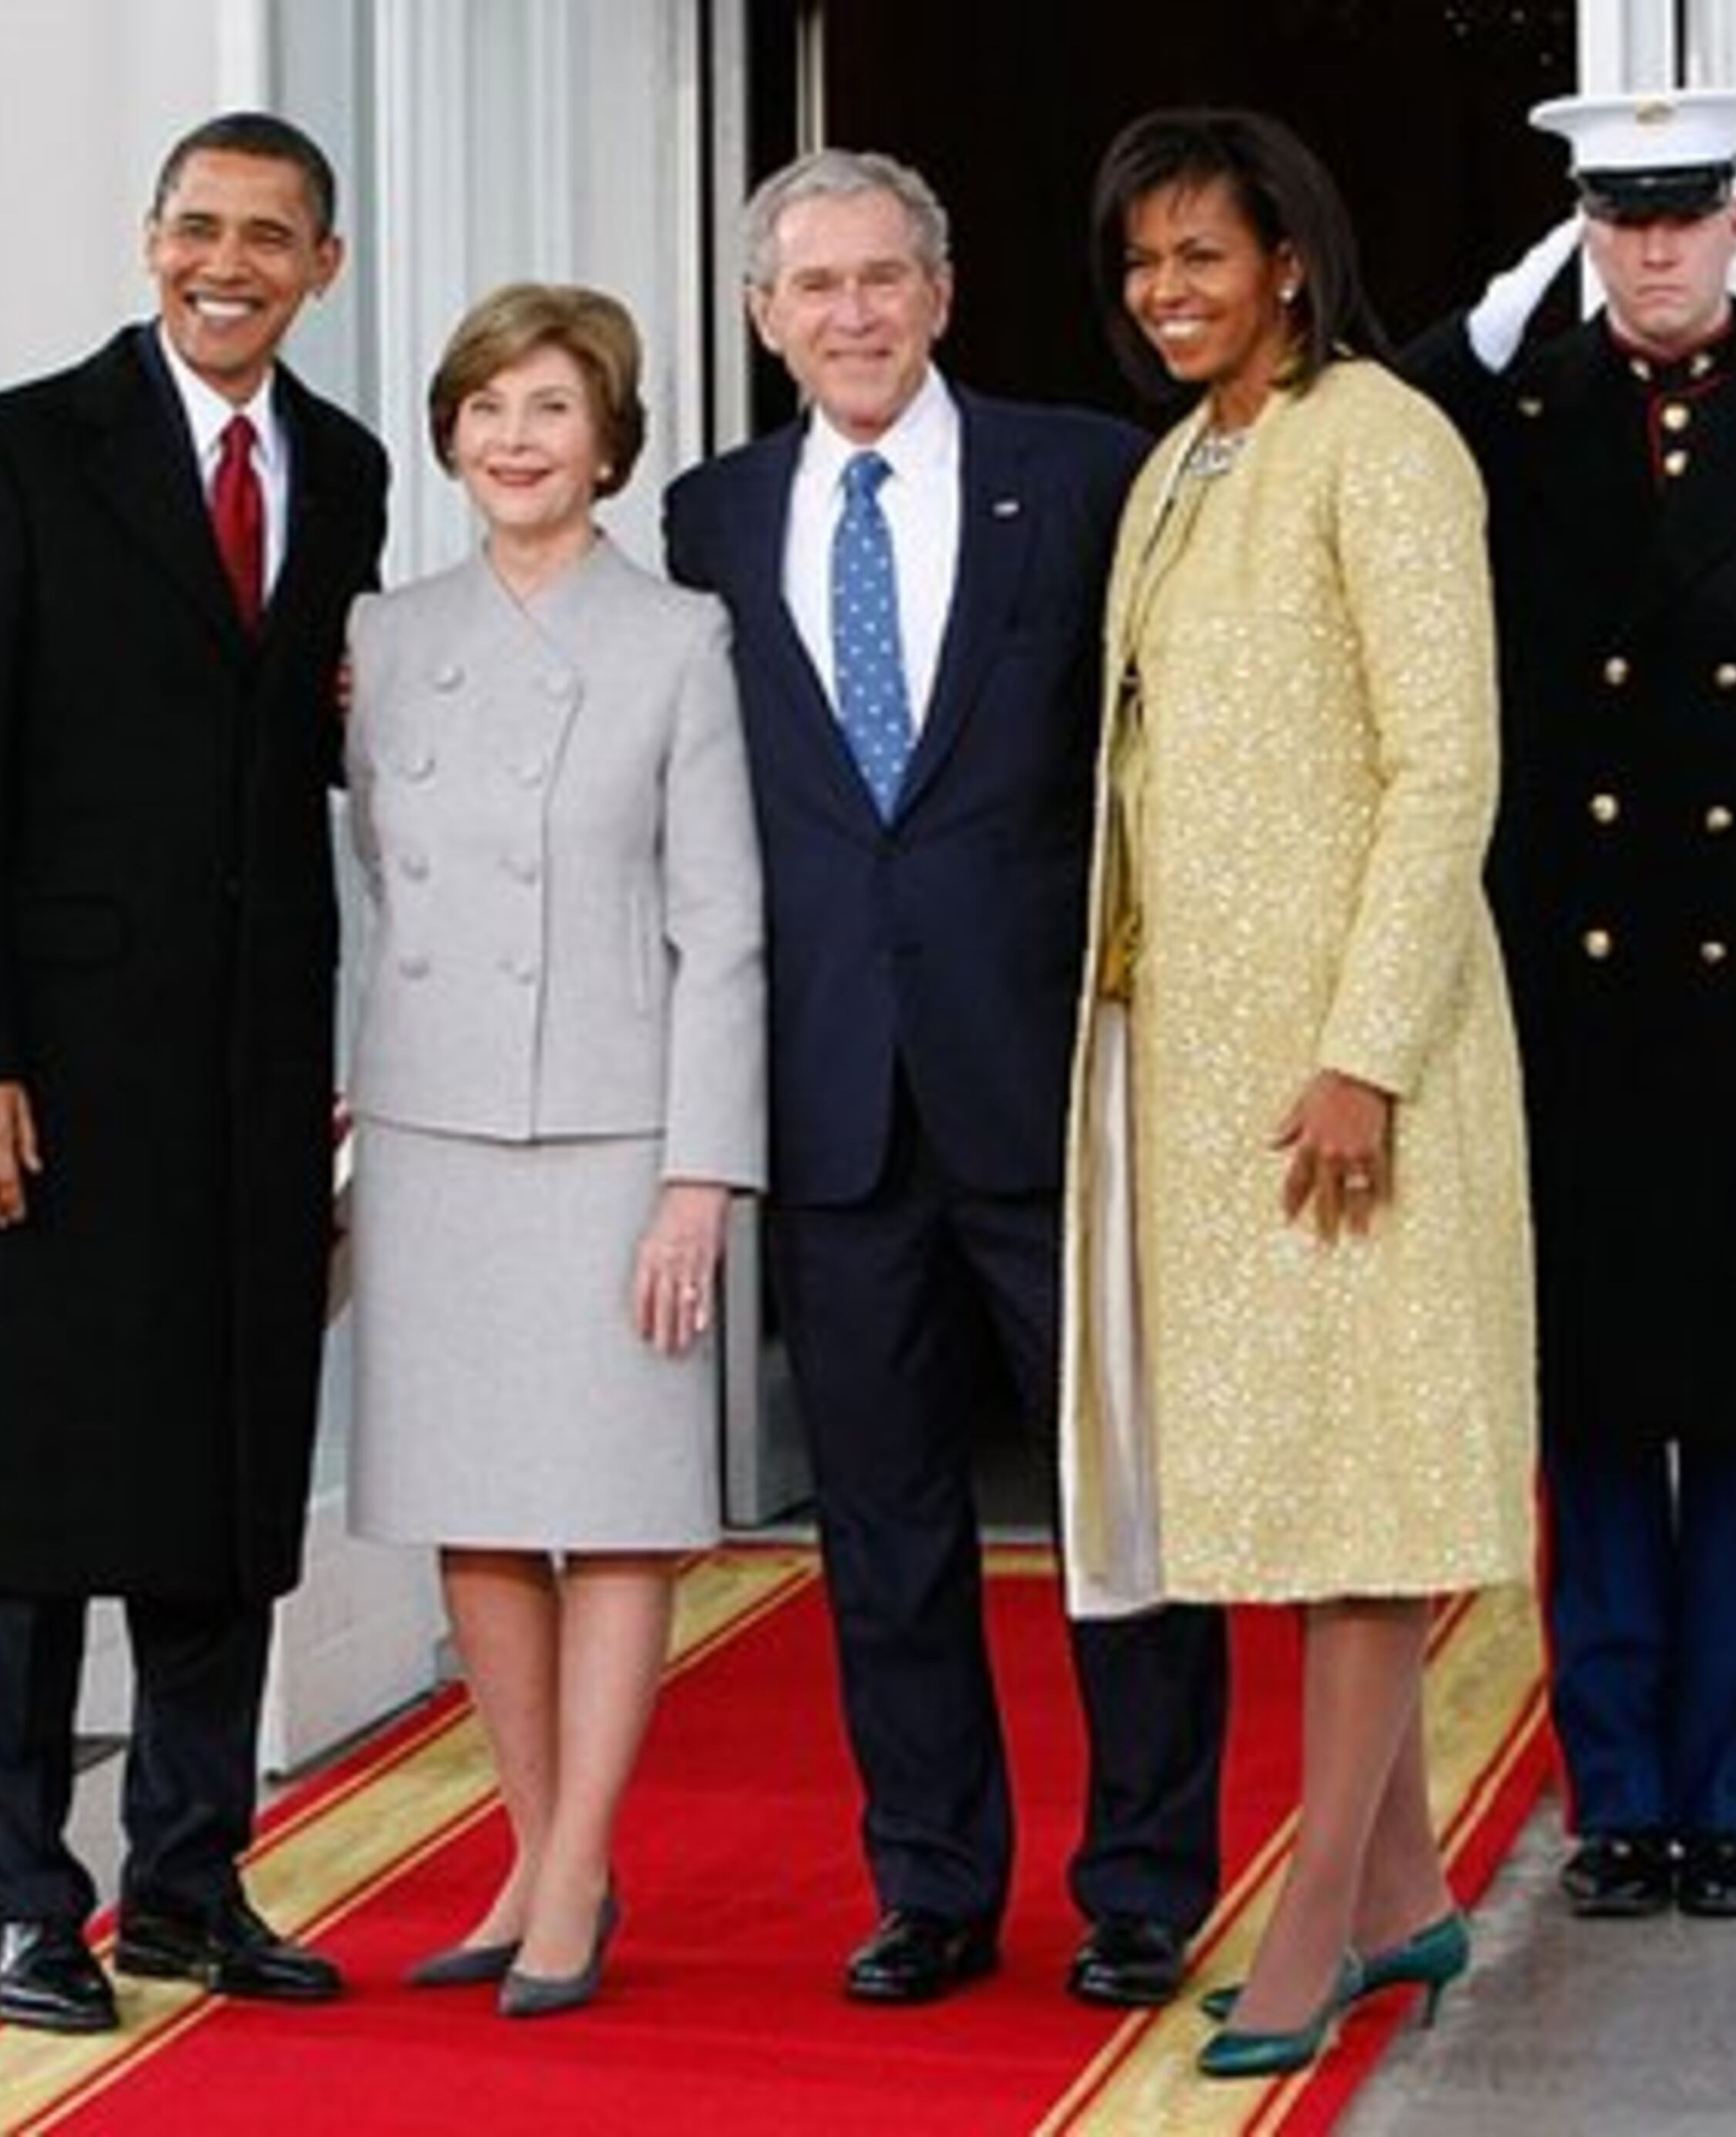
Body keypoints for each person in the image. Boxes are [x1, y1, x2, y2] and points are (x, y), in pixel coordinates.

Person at [663, 148, 1229, 2012]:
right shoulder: (708, 519)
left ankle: (1144, 1884)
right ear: (762, 317)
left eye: (882, 278)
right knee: (884, 1527)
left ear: (944, 288)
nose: (850, 314)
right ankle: (933, 1886)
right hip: (830, 1096)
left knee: (1114, 1508)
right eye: (812, 286)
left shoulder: (1080, 477)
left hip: (1052, 1077)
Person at [1398, 87, 1736, 1921]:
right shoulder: (1516, 413)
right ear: (1581, 232)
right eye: (1616, 220)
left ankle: (1732, 1803)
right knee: (1593, 1405)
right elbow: (1377, 423)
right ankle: (1616, 1799)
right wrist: (1491, 320)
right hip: (1566, 982)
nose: (1651, 249)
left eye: (1680, 214)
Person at [0, 111, 390, 2035]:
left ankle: (188, 1881)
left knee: (221, 1484)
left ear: (321, 267)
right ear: (148, 241)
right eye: (199, 227)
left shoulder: (336, 473)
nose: (229, 263)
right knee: (17, 1501)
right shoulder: (14, 451)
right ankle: (23, 1899)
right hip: (48, 1077)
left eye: (270, 235)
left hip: (255, 1077)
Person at [1060, 107, 1536, 2081]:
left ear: (1289, 262)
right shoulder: (1182, 463)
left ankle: (1316, 1928)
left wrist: (1361, 1052)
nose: (1170, 293)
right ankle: (1410, 1891)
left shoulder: (1383, 441)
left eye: (1202, 257)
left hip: (1361, 1074)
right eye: (1143, 264)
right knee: (1282, 1495)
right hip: (1197, 1077)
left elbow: (1446, 770)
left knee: (1357, 1511)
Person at [343, 283, 765, 2019]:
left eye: (552, 410)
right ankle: (530, 1855)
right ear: (450, 432)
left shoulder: (679, 638)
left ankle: (579, 1867)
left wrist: (699, 1175)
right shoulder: (383, 630)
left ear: (609, 443)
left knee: (614, 1513)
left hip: (612, 1131)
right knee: (478, 1514)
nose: (517, 439)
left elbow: (721, 925)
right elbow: (371, 880)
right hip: (435, 1120)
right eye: (489, 407)